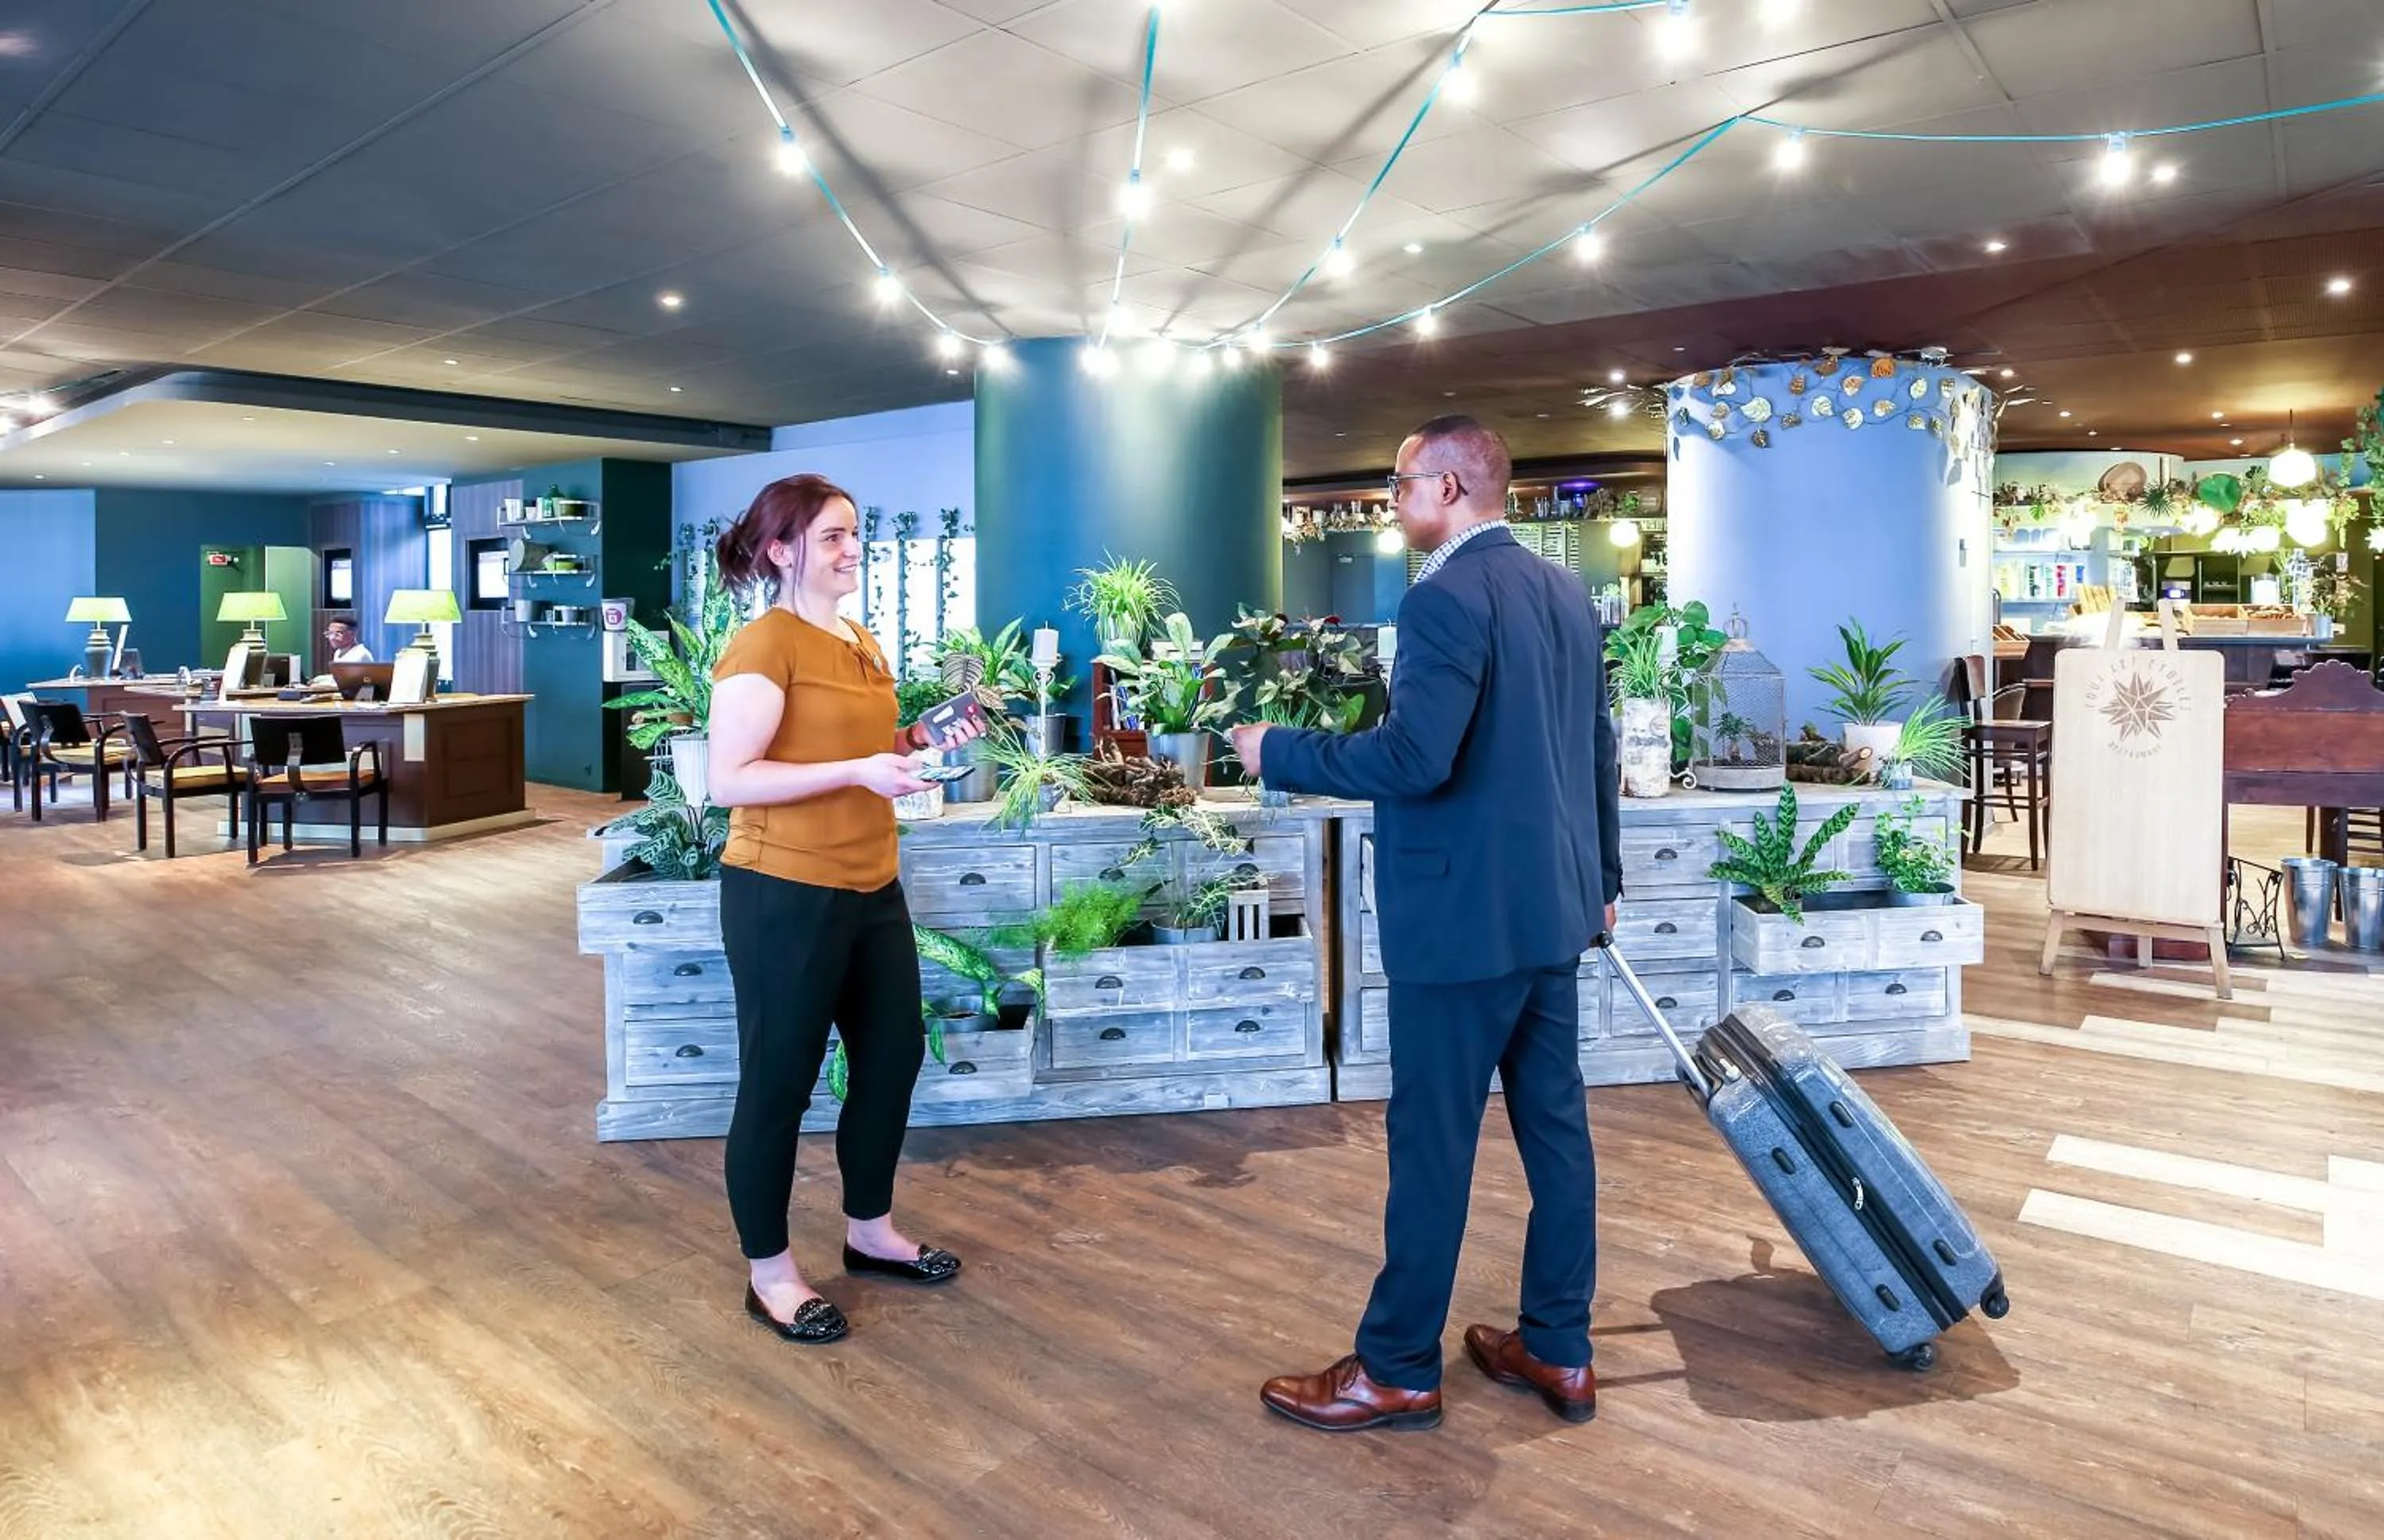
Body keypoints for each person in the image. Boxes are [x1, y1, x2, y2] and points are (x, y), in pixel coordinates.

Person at [1229, 415, 1622, 1432]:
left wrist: (1278, 748)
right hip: (1555, 913)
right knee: (1557, 1131)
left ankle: (1398, 1365)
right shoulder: (1563, 590)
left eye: (1398, 480)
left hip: (1464, 925)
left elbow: (1414, 761)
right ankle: (1560, 1348)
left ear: (1448, 488)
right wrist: (1603, 876)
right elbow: (1595, 746)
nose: (1389, 497)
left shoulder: (1445, 596)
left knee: (1434, 1144)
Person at [706, 473, 985, 1346]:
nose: (851, 547)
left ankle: (870, 1232)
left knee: (893, 1059)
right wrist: (858, 771)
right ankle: (772, 1274)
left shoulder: (858, 637)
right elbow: (729, 780)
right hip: (782, 889)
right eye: (831, 536)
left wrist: (912, 742)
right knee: (780, 1081)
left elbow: (863, 749)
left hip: (871, 883)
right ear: (781, 550)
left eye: (855, 533)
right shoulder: (764, 645)